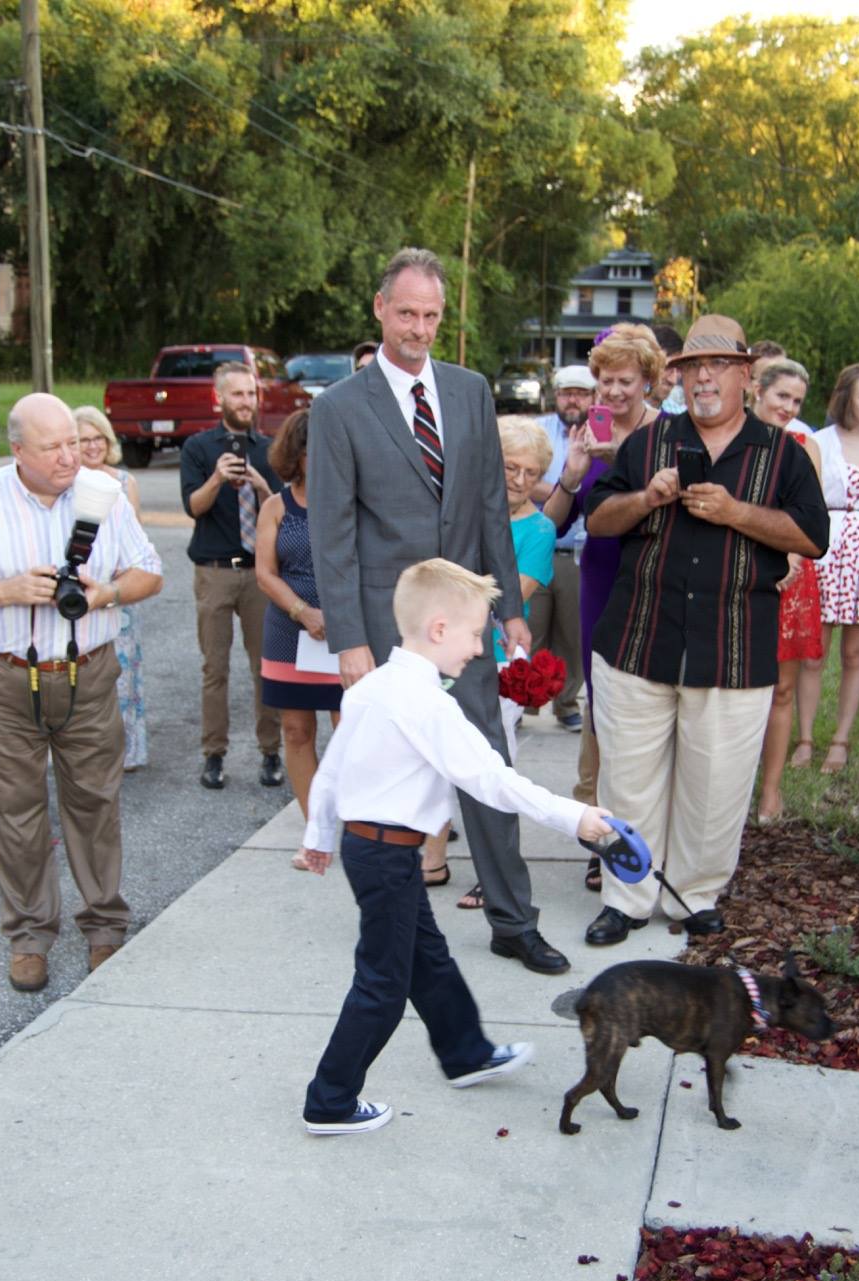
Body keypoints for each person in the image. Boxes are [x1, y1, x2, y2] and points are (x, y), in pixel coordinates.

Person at [307, 246, 570, 976]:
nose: (418, 329)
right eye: (406, 314)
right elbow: (332, 532)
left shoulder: (469, 390)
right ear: (380, 309)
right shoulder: (338, 409)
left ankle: (514, 921)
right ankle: (393, 925)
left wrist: (508, 607)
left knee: (486, 766)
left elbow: (489, 506)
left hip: (465, 625)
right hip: (386, 630)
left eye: (430, 315)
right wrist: (349, 639)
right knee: (389, 783)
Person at [300, 559, 612, 1134]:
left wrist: (319, 836)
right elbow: (493, 781)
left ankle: (466, 1053)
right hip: (387, 855)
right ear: (439, 629)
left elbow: (331, 770)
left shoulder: (373, 687)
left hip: (372, 851)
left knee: (428, 957)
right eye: (474, 635)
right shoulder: (428, 704)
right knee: (383, 984)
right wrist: (576, 818)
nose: (478, 648)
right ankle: (330, 1100)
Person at [581, 314, 829, 946]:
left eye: (719, 365)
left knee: (715, 789)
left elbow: (812, 536)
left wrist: (736, 512)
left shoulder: (782, 453)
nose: (705, 378)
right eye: (694, 367)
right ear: (680, 377)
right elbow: (599, 519)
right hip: (637, 640)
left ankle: (693, 897)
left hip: (732, 648)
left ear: (746, 377)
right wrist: (646, 498)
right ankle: (627, 898)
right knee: (628, 781)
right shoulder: (649, 443)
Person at [0, 393, 163, 992]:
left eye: (72, 442)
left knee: (95, 803)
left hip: (89, 672)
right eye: (52, 446)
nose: (68, 456)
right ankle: (29, 937)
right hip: (5, 679)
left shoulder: (102, 495)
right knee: (15, 810)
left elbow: (150, 570)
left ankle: (105, 927)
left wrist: (106, 593)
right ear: (18, 451)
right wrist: (8, 589)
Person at [543, 323, 662, 893]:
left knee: (646, 705)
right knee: (601, 705)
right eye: (605, 381)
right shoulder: (586, 434)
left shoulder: (666, 434)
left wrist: (628, 457)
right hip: (600, 576)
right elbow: (553, 522)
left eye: (625, 381)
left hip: (655, 580)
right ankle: (603, 836)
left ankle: (649, 826)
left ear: (648, 382)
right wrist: (571, 476)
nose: (613, 392)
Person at [456, 416, 556, 911]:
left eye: (530, 472)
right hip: (448, 652)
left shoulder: (540, 529)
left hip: (498, 662)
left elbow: (509, 595)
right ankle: (433, 857)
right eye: (510, 467)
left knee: (493, 765)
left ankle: (494, 871)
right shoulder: (465, 511)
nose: (518, 479)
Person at [180, 362, 284, 791]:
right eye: (238, 394)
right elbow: (194, 507)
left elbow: (285, 512)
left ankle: (271, 751)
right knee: (215, 669)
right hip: (215, 571)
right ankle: (214, 755)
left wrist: (261, 486)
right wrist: (217, 478)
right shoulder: (198, 447)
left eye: (251, 394)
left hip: (260, 573)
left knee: (266, 668)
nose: (246, 402)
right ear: (219, 398)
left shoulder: (271, 449)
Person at [255, 410, 342, 869]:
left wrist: (340, 615)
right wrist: (303, 612)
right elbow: (265, 573)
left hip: (345, 631)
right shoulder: (276, 506)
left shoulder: (352, 501)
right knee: (296, 731)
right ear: (296, 455)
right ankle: (316, 836)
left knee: (352, 733)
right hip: (290, 632)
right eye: (311, 452)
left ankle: (362, 828)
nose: (320, 460)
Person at [792, 362, 859, 774]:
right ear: (847, 398)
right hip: (825, 554)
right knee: (814, 653)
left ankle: (840, 741)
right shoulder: (820, 441)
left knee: (855, 652)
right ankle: (806, 739)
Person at [750, 361, 824, 821]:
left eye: (797, 401)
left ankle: (770, 792)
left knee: (782, 688)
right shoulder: (733, 439)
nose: (790, 408)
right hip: (739, 571)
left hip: (792, 575)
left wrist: (791, 559)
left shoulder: (804, 445)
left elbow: (812, 517)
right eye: (782, 396)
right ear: (758, 390)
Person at [74, 404, 148, 770]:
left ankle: (127, 750)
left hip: (118, 589)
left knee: (122, 673)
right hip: (78, 589)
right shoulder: (66, 483)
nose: (92, 446)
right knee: (79, 672)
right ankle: (80, 751)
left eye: (98, 438)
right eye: (83, 440)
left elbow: (135, 541)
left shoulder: (123, 482)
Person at [528, 364, 595, 733]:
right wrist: (569, 487)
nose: (573, 400)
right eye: (567, 393)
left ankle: (567, 702)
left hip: (577, 551)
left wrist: (557, 488)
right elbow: (521, 479)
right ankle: (524, 699)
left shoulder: (602, 435)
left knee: (572, 634)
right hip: (538, 546)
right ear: (556, 396)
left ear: (593, 397)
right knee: (531, 628)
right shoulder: (537, 431)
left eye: (581, 394)